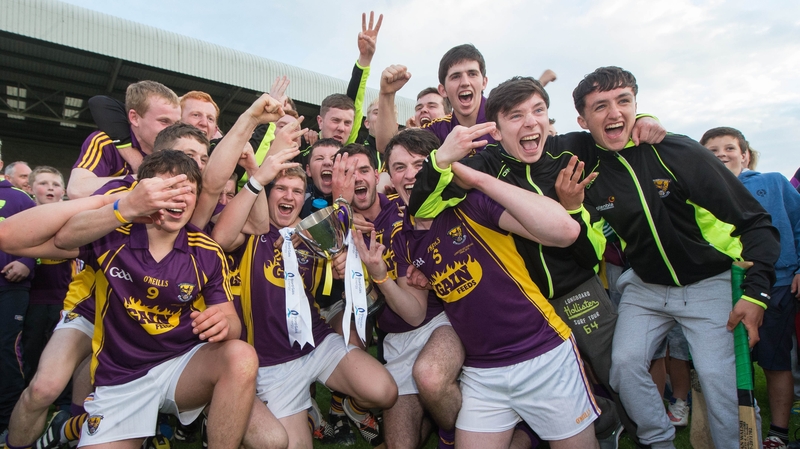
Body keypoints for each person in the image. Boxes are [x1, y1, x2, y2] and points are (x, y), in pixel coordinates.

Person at [0, 150, 288, 449]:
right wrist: (120, 206)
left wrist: (224, 324)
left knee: (253, 388)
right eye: (167, 188)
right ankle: (64, 428)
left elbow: (231, 323)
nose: (178, 197)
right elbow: (10, 237)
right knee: (43, 388)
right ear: (144, 192)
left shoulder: (205, 250)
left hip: (181, 370)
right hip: (123, 379)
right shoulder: (113, 234)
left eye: (187, 189)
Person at [573, 66, 780, 449]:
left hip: (706, 285)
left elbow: (757, 223)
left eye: (624, 101)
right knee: (624, 365)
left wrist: (755, 294)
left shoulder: (677, 150)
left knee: (719, 383)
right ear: (582, 120)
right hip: (645, 287)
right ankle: (658, 441)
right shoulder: (583, 155)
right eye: (600, 106)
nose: (615, 113)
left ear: (638, 105)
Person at [365, 152, 600, 448]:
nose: (411, 174)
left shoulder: (471, 203)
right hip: (482, 371)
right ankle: (527, 434)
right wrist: (381, 276)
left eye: (420, 165)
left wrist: (477, 179)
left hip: (543, 353)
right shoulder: (405, 240)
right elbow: (414, 314)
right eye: (400, 167)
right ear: (391, 178)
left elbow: (566, 232)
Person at [211, 140, 398, 449]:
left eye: (297, 191)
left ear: (304, 198)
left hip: (317, 345)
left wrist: (342, 263)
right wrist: (255, 174)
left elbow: (344, 259)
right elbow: (221, 236)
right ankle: (293, 412)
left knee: (384, 391)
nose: (289, 197)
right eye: (281, 189)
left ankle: (351, 408)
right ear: (268, 195)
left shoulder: (313, 233)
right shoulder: (250, 232)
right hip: (271, 364)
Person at [701, 126, 800, 449]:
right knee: (728, 365)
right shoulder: (696, 192)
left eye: (729, 148)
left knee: (774, 360)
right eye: (712, 150)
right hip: (720, 288)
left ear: (745, 154)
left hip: (777, 283)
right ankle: (738, 428)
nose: (721, 155)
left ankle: (778, 433)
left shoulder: (772, 182)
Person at [68, 80, 181, 199]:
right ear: (134, 118)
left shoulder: (181, 147)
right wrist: (144, 178)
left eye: (177, 123)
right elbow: (77, 190)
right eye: (164, 121)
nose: (173, 131)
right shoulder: (105, 142)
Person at [0, 164, 36, 440]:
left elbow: (41, 235)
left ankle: (7, 421)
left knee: (6, 352)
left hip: (9, 289)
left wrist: (25, 261)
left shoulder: (19, 197)